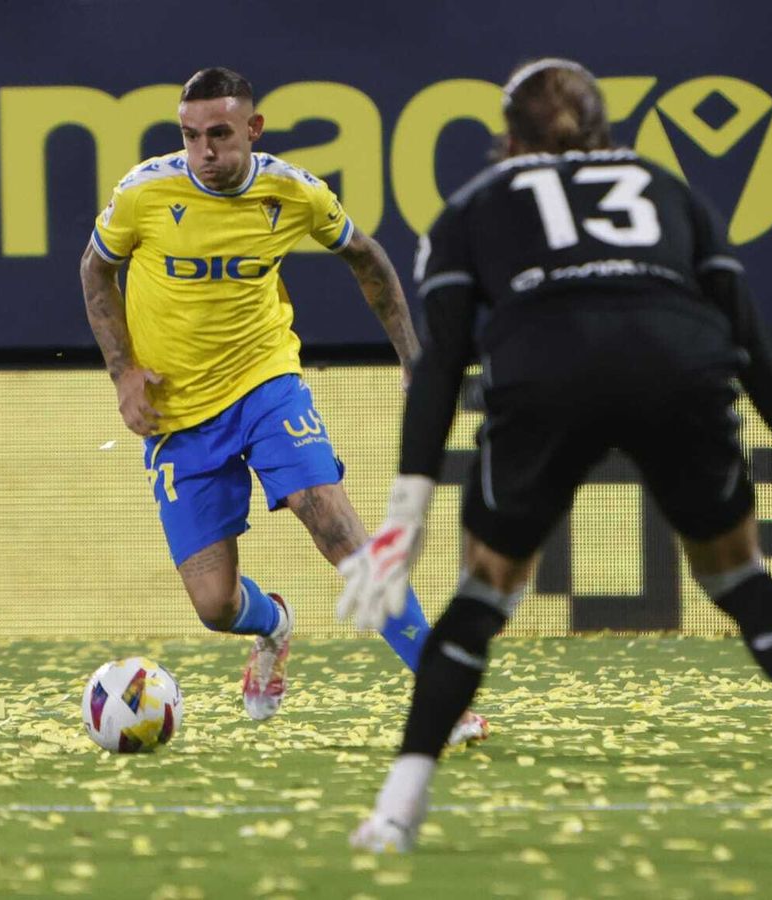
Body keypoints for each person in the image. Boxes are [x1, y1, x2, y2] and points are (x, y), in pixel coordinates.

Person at [336, 58, 772, 851]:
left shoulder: (474, 207)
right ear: (605, 125)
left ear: (508, 136)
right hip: (680, 360)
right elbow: (753, 337)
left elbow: (440, 363)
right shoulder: (669, 188)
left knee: (488, 586)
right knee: (738, 574)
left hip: (548, 369)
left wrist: (407, 511)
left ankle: (397, 811)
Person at [80, 67, 487, 743]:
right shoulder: (144, 193)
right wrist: (123, 374)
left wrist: (414, 360)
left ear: (252, 129)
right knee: (214, 605)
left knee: (331, 521)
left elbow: (368, 258)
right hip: (179, 414)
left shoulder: (292, 192)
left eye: (218, 134)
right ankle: (273, 624)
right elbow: (97, 268)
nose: (203, 151)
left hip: (265, 382)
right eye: (190, 136)